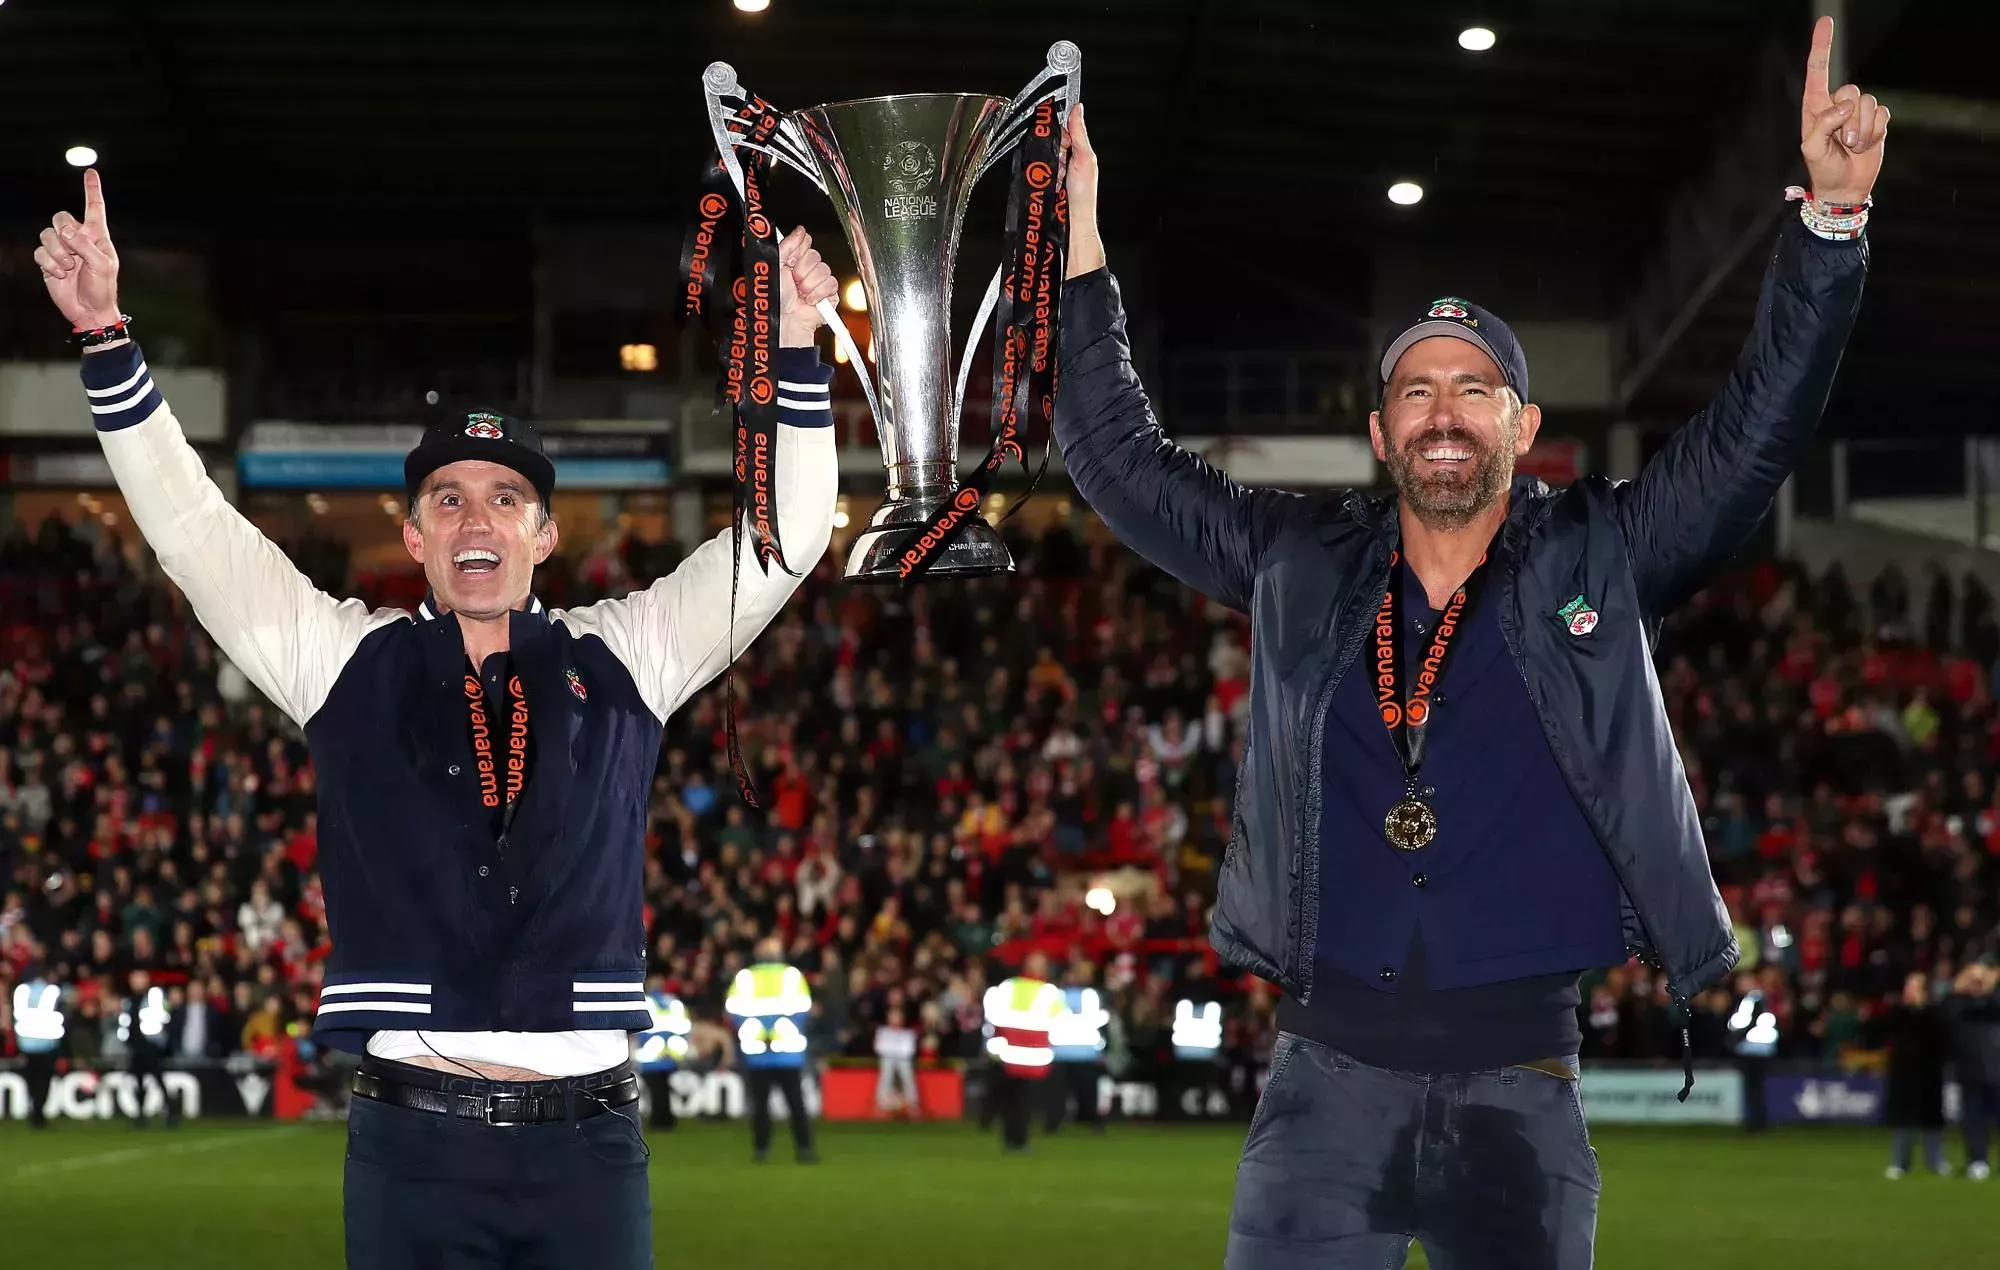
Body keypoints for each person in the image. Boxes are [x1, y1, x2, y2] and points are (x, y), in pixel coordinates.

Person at [1051, 17, 1883, 1268]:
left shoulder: (1600, 553)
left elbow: (1751, 432)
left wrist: (1827, 224)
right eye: (1415, 391)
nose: (1442, 412)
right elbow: (1116, 458)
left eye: (1471, 389)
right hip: (1320, 1100)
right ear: (1379, 434)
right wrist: (1076, 240)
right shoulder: (1294, 561)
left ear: (1521, 424)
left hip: (1520, 1100)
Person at [33, 170, 839, 1269]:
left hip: (590, 1153)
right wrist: (106, 338)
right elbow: (192, 529)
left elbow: (789, 535)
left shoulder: (628, 652)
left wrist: (794, 349)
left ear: (544, 536)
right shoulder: (341, 660)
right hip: (411, 1152)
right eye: (447, 499)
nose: (476, 521)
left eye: (506, 499)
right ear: (413, 538)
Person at [725, 938, 819, 1163]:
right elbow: (804, 1010)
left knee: (760, 1105)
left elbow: (733, 1011)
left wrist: (760, 1032)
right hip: (788, 1052)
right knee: (796, 1104)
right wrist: (779, 1031)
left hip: (757, 1051)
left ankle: (762, 1150)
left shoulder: (745, 977)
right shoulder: (792, 975)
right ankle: (804, 1149)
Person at [982, 951, 1065, 1153]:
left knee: (1013, 1099)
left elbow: (994, 1015)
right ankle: (1017, 1140)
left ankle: (1012, 1139)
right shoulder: (1047, 992)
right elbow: (1058, 1019)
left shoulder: (1011, 986)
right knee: (1021, 1100)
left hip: (1012, 1053)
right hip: (1029, 1055)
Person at [1880, 972, 1951, 1178]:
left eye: (1913, 986)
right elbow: (1887, 1034)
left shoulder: (1935, 1014)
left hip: (1929, 1071)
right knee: (1902, 1117)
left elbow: (1941, 1040)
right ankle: (1899, 1162)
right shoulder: (1898, 1013)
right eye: (1907, 986)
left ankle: (1935, 1160)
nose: (1908, 990)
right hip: (1903, 1072)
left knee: (1932, 1117)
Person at [1947, 962, 2000, 1180]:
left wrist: (1987, 987)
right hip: (1969, 1072)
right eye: (1973, 979)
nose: (1976, 983)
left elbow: (1993, 1005)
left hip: (1996, 1072)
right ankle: (1978, 1161)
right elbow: (1949, 1013)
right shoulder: (1958, 1005)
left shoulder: (1993, 1003)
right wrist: (1960, 987)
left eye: (1980, 979)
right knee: (1973, 1121)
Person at [116, 969, 178, 1129]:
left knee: (158, 1079)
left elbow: (165, 1017)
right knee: (138, 1082)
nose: (136, 982)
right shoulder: (129, 1001)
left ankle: (171, 1112)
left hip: (150, 1047)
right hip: (136, 1047)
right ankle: (140, 1113)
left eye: (139, 979)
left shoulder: (154, 998)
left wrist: (160, 1042)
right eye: (134, 979)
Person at [10, 961, 65, 1129]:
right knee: (44, 1080)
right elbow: (61, 1015)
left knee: (32, 1080)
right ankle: (39, 1111)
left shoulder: (21, 991)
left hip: (26, 1043)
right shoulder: (52, 991)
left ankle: (35, 1110)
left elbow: (16, 1016)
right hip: (47, 1044)